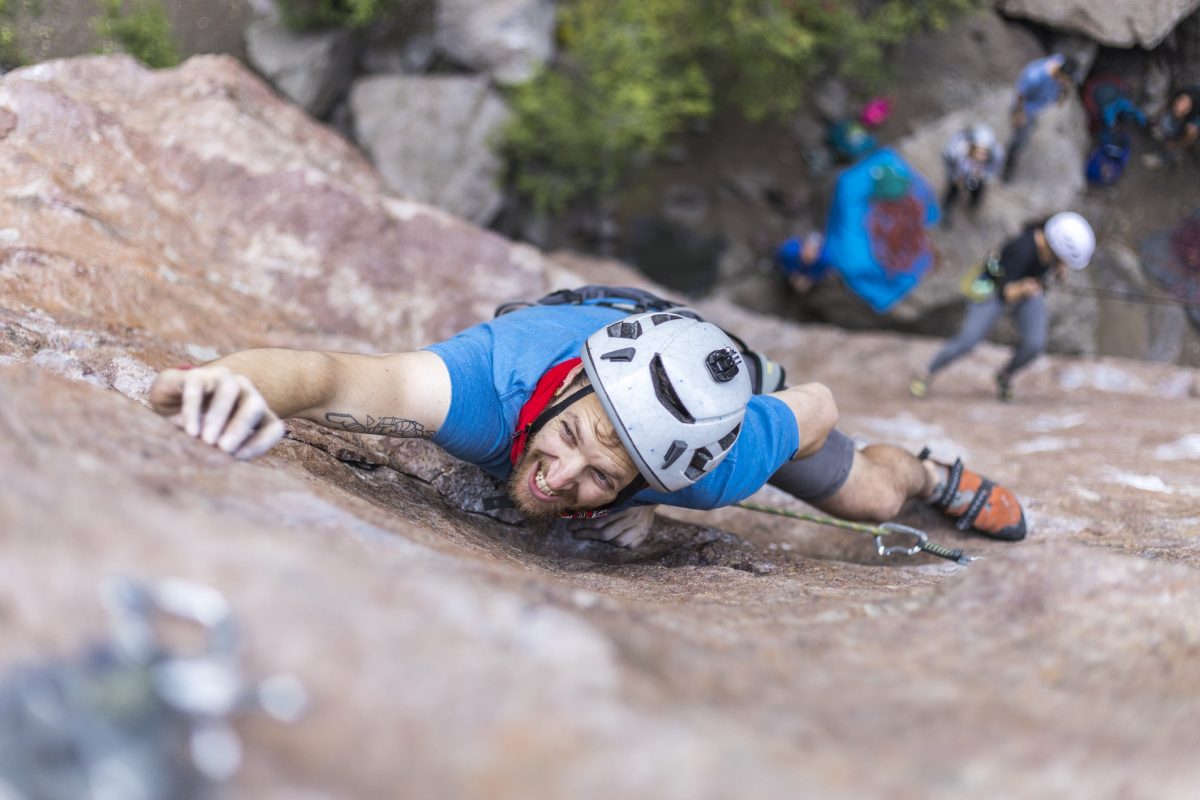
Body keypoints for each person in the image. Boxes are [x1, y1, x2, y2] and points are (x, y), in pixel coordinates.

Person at [149, 289, 1030, 547]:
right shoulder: (489, 386)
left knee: (874, 499)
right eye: (572, 440)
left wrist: (651, 498)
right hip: (592, 319)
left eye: (604, 478)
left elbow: (817, 408)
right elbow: (333, 376)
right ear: (561, 395)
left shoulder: (716, 468)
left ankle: (934, 473)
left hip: (729, 383)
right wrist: (234, 384)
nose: (559, 478)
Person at [909, 212, 1095, 402]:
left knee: (1034, 344)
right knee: (967, 340)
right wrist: (1025, 287)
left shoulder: (1050, 247)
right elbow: (1006, 293)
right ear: (1057, 249)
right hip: (995, 291)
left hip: (1026, 290)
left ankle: (1005, 376)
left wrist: (1055, 269)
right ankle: (926, 372)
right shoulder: (1022, 249)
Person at [1003, 54, 1082, 182]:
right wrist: (1018, 114)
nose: (1068, 83)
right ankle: (1009, 162)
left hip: (1040, 104)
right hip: (1026, 109)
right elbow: (1020, 95)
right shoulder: (1035, 76)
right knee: (1020, 137)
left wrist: (1063, 94)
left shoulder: (1061, 62)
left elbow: (1067, 85)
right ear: (1060, 74)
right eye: (1067, 80)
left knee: (1030, 126)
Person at [941, 125, 1005, 226]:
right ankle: (947, 208)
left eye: (985, 153)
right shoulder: (957, 150)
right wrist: (954, 176)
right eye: (978, 151)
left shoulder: (996, 155)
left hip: (979, 178)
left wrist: (983, 176)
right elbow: (947, 161)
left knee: (977, 191)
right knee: (952, 191)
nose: (981, 156)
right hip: (958, 176)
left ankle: (973, 204)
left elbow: (993, 171)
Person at [1145, 86, 1200, 169]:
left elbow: (1187, 140)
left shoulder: (1191, 127)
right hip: (1172, 126)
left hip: (1177, 137)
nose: (1180, 104)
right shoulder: (1188, 92)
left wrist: (1175, 144)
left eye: (1186, 106)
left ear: (1189, 110)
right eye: (1180, 100)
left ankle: (1164, 159)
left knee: (1171, 149)